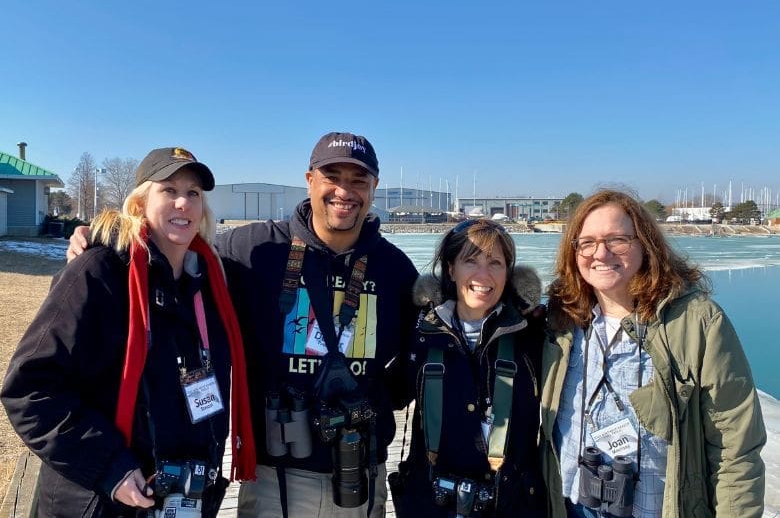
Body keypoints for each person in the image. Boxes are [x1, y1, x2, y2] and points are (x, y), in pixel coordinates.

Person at [67, 132, 419, 518]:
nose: (344, 191)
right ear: (309, 180)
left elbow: (415, 364)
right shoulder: (253, 250)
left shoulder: (395, 270)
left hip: (361, 474)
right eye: (332, 176)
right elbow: (171, 255)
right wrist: (106, 244)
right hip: (275, 478)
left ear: (374, 188)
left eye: (358, 181)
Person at [2, 147, 256, 518]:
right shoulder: (100, 272)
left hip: (178, 499)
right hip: (99, 501)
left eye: (193, 193)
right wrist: (110, 468)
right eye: (168, 190)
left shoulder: (210, 284)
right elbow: (29, 390)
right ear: (139, 205)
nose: (183, 202)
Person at [540, 190, 766, 518]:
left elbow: (736, 445)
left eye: (617, 239)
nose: (600, 253)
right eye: (586, 242)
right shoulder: (562, 321)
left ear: (645, 244)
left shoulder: (694, 322)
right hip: (573, 504)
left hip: (658, 506)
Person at [391, 218, 546, 518]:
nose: (483, 274)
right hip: (432, 503)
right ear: (451, 268)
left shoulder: (535, 336)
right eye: (470, 261)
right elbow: (387, 392)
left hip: (511, 503)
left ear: (509, 273)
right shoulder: (421, 333)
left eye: (495, 263)